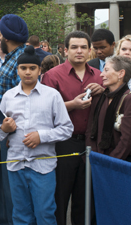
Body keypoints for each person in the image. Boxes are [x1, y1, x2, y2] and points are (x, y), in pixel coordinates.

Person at [0, 45, 73, 225]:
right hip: (16, 164)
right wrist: (4, 129)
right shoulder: (9, 96)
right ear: (17, 70)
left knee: (45, 213)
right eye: (23, 68)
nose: (27, 72)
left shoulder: (52, 96)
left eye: (32, 68)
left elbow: (67, 128)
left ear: (39, 70)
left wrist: (41, 136)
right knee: (21, 214)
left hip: (43, 165)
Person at [41, 31, 104, 225]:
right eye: (74, 47)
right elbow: (45, 112)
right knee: (59, 197)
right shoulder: (53, 76)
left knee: (85, 198)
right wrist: (71, 105)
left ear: (89, 50)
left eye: (83, 47)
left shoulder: (100, 76)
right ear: (65, 50)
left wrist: (103, 92)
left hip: (91, 143)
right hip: (63, 144)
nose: (79, 51)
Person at [0, 14, 29, 225]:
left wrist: (4, 124)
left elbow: (21, 101)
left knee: (11, 190)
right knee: (4, 188)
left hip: (12, 134)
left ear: (6, 36)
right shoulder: (12, 57)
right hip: (4, 130)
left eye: (0, 35)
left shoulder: (20, 60)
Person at [87, 56, 131, 162]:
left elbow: (128, 139)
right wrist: (92, 156)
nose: (101, 74)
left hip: (119, 163)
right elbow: (90, 129)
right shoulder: (100, 97)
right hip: (97, 159)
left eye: (106, 70)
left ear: (121, 73)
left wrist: (111, 161)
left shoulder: (130, 100)